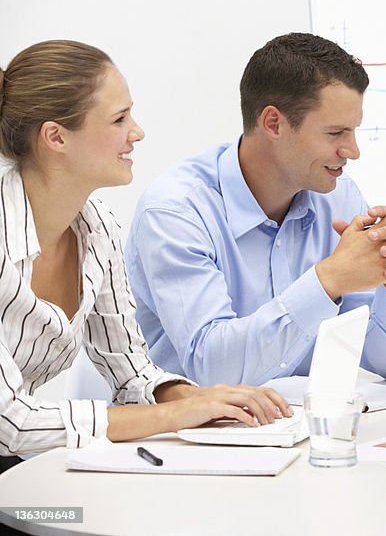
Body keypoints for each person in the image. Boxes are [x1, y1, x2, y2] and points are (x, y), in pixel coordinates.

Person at [0, 40, 289, 471]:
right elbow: (12, 423)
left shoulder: (98, 227)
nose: (137, 132)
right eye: (119, 119)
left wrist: (204, 401)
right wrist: (172, 416)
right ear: (56, 136)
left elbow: (131, 371)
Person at [126, 33, 386, 386]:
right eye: (335, 133)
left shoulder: (340, 198)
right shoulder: (176, 211)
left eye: (354, 131)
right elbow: (212, 369)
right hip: (181, 434)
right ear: (273, 124)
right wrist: (329, 280)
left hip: (292, 426)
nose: (353, 151)